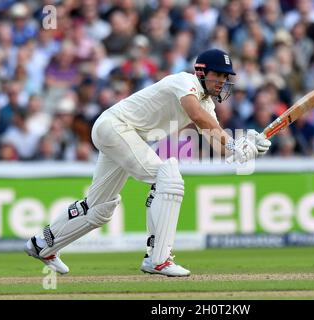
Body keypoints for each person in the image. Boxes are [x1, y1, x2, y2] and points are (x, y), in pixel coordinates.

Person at [24, 49, 271, 277]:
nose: (221, 81)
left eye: (225, 76)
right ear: (201, 72)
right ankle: (158, 258)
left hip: (123, 134)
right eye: (217, 74)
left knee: (100, 208)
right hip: (116, 127)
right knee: (168, 176)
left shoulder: (206, 103)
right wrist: (232, 144)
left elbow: (217, 142)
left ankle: (42, 244)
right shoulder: (185, 82)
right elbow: (197, 116)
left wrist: (245, 147)